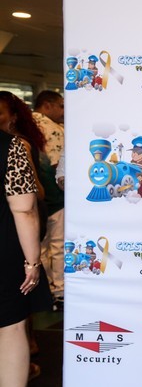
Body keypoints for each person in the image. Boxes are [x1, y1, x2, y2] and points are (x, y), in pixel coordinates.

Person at [0, 126, 51, 387]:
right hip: (4, 250)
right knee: (11, 329)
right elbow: (24, 207)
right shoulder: (11, 146)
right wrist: (32, 261)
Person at [32, 90, 65, 309]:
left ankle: (42, 292)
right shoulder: (53, 128)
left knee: (39, 248)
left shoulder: (24, 126)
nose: (63, 111)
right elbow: (57, 166)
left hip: (32, 197)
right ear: (47, 105)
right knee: (58, 246)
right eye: (60, 106)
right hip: (54, 196)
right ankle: (60, 291)